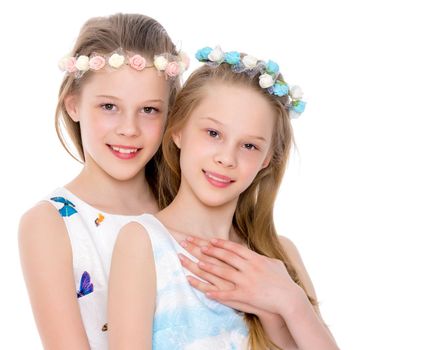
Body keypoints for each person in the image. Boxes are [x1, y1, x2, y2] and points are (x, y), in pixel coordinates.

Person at [108, 46, 338, 349]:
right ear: (178, 130)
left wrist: (291, 303)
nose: (227, 158)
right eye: (213, 133)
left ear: (267, 158)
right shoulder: (144, 242)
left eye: (249, 146)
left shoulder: (281, 256)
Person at [18, 13, 188, 350]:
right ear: (74, 105)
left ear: (171, 115)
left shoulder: (183, 208)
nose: (129, 129)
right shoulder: (50, 224)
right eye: (109, 106)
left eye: (149, 110)